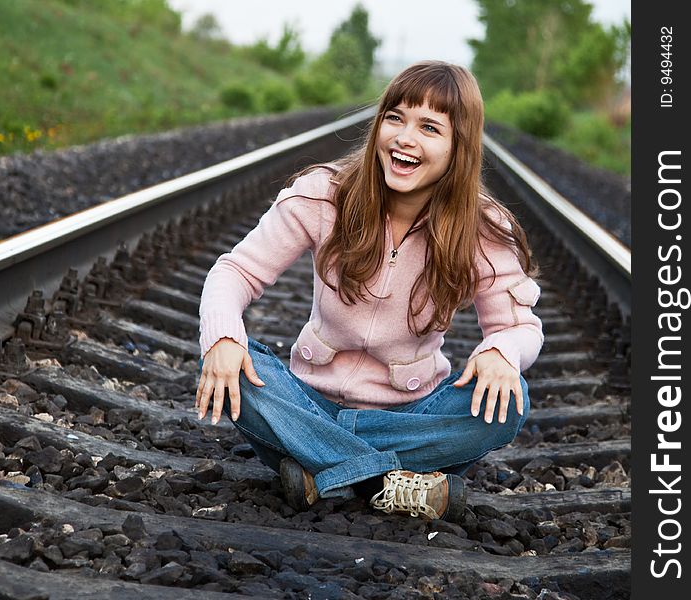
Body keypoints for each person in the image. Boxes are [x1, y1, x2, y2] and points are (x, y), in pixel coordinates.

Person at [195, 61, 543, 523]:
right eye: (395, 118)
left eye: (430, 128)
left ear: (459, 148)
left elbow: (520, 328)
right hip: (307, 400)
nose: (405, 138)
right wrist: (222, 339)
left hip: (412, 412)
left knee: (507, 398)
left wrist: (501, 350)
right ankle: (389, 481)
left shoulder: (483, 229)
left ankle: (322, 468)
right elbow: (233, 272)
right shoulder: (325, 194)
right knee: (239, 369)